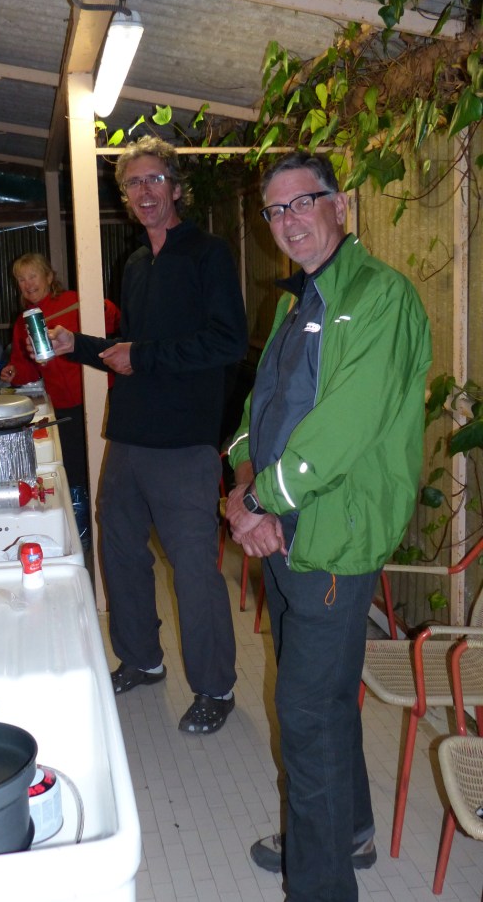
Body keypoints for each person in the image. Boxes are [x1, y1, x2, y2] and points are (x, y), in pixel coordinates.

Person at [225, 151, 432, 902]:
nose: (288, 221)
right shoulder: (296, 300)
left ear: (340, 204)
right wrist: (244, 481)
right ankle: (350, 831)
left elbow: (342, 430)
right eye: (275, 210)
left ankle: (319, 885)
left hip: (333, 544)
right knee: (326, 697)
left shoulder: (382, 298)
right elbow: (262, 404)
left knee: (305, 716)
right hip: (285, 536)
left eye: (302, 202)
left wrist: (260, 503)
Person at [47, 135, 248, 734]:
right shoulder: (134, 264)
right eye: (133, 183)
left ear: (176, 186)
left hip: (184, 442)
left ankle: (215, 688)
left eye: (154, 179)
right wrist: (76, 347)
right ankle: (141, 658)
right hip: (129, 438)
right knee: (119, 551)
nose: (144, 192)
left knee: (193, 570)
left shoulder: (207, 256)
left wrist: (149, 356)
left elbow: (227, 342)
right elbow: (125, 351)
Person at [0, 253, 120, 495]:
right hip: (63, 407)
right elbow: (26, 367)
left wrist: (103, 307)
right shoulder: (22, 322)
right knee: (75, 470)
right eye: (21, 279)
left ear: (49, 277)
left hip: (99, 397)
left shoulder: (74, 301)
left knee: (107, 465)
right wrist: (13, 373)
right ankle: (83, 527)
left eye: (33, 276)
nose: (28, 284)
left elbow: (112, 322)